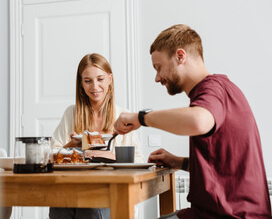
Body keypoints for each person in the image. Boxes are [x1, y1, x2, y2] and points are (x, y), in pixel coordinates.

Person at [114, 24, 272, 218]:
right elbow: (224, 166)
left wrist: (140, 118)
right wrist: (179, 162)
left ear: (180, 56)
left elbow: (198, 121)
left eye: (158, 67)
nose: (157, 78)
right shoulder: (223, 88)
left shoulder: (211, 90)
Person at [50, 53, 143, 219]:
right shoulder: (71, 113)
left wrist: (108, 155)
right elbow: (50, 155)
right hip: (71, 189)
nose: (95, 86)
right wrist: (70, 146)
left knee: (90, 210)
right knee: (59, 207)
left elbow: (138, 161)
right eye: (88, 81)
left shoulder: (124, 116)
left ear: (110, 79)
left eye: (100, 79)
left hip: (110, 192)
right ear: (81, 84)